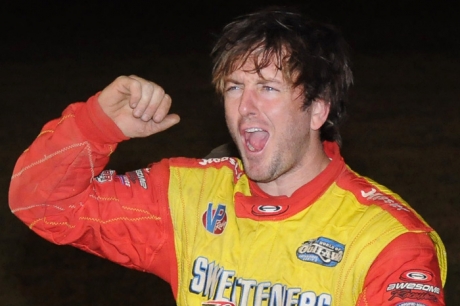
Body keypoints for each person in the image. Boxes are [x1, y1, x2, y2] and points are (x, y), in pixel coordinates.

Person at [9, 7, 447, 306]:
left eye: (268, 88)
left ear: (318, 109)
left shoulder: (388, 243)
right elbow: (42, 204)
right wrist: (96, 125)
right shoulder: (188, 196)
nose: (245, 107)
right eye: (235, 87)